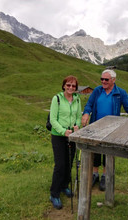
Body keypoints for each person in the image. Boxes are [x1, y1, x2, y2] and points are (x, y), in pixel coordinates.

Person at [81, 69, 128, 191]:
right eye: (102, 79)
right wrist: (86, 113)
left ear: (113, 80)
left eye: (106, 79)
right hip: (95, 126)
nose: (103, 81)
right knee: (95, 150)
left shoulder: (120, 93)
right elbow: (89, 104)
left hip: (112, 129)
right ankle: (95, 174)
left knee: (108, 151)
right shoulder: (97, 91)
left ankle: (105, 175)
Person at [49, 75, 82, 209]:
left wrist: (76, 126)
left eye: (73, 86)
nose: (70, 87)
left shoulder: (77, 100)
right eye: (68, 85)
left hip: (72, 136)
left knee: (69, 163)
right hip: (58, 135)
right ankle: (54, 194)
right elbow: (53, 119)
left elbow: (79, 117)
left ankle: (64, 186)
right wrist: (63, 131)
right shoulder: (56, 99)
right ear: (64, 86)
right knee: (60, 165)